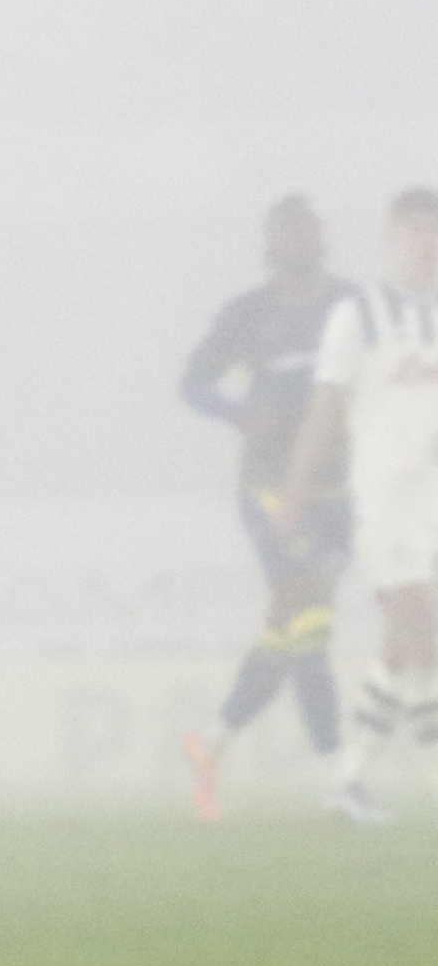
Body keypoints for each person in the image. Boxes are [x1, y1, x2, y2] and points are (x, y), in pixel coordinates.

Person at [179, 194, 348, 818]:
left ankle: (211, 746)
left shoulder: (350, 306)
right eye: (289, 231)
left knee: (286, 629)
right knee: (310, 624)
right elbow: (192, 383)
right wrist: (241, 414)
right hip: (270, 488)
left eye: (310, 228)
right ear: (271, 245)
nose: (302, 240)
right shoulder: (247, 314)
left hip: (338, 488)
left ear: (322, 236)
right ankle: (341, 778)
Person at [275, 188, 438, 825]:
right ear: (392, 237)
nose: (426, 242)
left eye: (433, 230)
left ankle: (356, 780)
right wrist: (294, 494)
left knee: (409, 647)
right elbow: (323, 411)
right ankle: (395, 764)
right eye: (414, 230)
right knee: (417, 632)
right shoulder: (358, 315)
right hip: (384, 504)